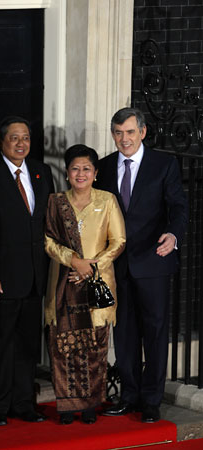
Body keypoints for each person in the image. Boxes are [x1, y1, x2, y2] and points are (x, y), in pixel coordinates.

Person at [96, 107, 188, 423]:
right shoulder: (104, 167)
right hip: (117, 266)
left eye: (130, 132)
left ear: (143, 132)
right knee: (124, 335)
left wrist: (174, 235)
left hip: (154, 262)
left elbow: (178, 206)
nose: (125, 139)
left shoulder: (164, 164)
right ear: (113, 134)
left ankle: (151, 400)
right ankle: (129, 395)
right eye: (119, 133)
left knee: (155, 333)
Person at [0, 116, 54, 426]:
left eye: (25, 137)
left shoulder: (41, 170)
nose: (21, 143)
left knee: (27, 344)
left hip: (37, 275)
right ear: (0, 142)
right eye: (14, 138)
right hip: (5, 275)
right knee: (0, 343)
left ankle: (24, 404)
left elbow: (47, 220)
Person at [44, 144, 126, 425]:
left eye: (86, 169)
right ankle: (67, 406)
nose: (81, 173)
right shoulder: (56, 202)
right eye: (75, 168)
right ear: (67, 174)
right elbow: (48, 242)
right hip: (62, 284)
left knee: (94, 346)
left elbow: (118, 242)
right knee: (63, 346)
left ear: (95, 173)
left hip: (97, 284)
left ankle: (91, 404)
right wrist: (73, 261)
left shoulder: (107, 200)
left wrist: (90, 267)